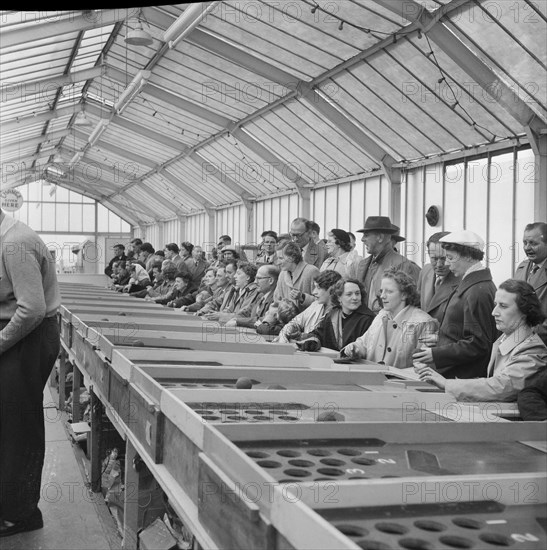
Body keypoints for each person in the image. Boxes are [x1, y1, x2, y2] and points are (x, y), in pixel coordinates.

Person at [0, 207, 61, 537]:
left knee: (17, 422)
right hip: (16, 328)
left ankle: (20, 513)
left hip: (31, 336)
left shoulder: (15, 243)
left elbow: (32, 309)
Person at [416, 279, 547, 402]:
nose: (494, 312)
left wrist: (447, 384)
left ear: (525, 311)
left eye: (503, 306)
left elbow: (502, 387)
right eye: (496, 305)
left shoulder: (532, 350)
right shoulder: (505, 340)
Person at [412, 230, 499, 379]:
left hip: (462, 376)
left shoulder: (478, 291)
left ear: (467, 257)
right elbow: (462, 332)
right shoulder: (473, 285)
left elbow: (478, 344)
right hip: (455, 373)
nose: (446, 263)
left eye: (450, 258)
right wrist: (440, 339)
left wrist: (436, 353)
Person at [342, 269, 436, 367]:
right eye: (381, 291)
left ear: (404, 294)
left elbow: (425, 368)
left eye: (389, 292)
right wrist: (355, 348)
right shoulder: (381, 316)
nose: (382, 296)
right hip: (372, 379)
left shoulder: (424, 323)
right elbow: (364, 343)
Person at [355, 216, 421, 313]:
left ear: (380, 237)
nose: (362, 239)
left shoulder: (402, 264)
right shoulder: (363, 264)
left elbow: (409, 303)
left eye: (366, 235)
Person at [296, 278, 375, 352]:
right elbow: (318, 334)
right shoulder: (332, 315)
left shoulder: (368, 319)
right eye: (349, 294)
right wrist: (312, 341)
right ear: (339, 298)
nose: (355, 297)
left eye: (357, 293)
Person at [275, 270, 342, 343]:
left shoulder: (340, 313)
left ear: (331, 290)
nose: (314, 292)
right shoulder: (315, 305)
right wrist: (286, 333)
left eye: (318, 288)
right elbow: (295, 322)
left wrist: (301, 337)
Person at [514, 222, 547, 345]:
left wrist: (527, 336)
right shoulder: (522, 267)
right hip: (518, 340)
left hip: (540, 344)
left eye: (533, 243)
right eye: (525, 243)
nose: (527, 248)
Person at [417, 231, 461, 322]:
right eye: (434, 258)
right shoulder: (425, 271)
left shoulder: (462, 279)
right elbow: (417, 305)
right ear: (429, 255)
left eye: (444, 258)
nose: (439, 264)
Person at [227, 264, 279, 328]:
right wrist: (233, 319)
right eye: (255, 278)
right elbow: (245, 313)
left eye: (259, 278)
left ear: (271, 280)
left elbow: (264, 319)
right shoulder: (260, 296)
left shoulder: (276, 299)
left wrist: (238, 321)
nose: (255, 282)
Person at [274, 241, 320, 311]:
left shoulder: (312, 272)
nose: (277, 262)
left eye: (281, 258)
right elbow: (277, 300)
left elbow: (321, 302)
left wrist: (303, 297)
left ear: (292, 258)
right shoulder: (282, 274)